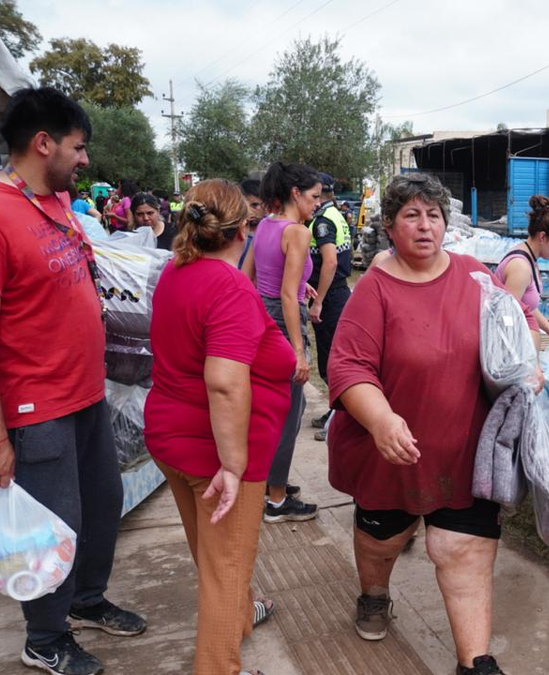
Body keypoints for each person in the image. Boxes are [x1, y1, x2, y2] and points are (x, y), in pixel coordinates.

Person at [0, 86, 146, 675]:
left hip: (84, 391)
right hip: (37, 405)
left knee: (103, 505)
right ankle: (45, 637)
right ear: (43, 143)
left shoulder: (53, 202)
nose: (84, 160)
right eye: (78, 147)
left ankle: (85, 600)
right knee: (52, 527)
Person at [327, 173, 538, 675]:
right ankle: (374, 595)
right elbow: (347, 367)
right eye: (411, 216)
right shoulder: (374, 290)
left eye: (434, 216)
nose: (425, 226)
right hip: (391, 454)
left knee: (460, 551)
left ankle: (475, 663)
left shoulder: (475, 278)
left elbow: (508, 341)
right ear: (390, 226)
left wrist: (524, 373)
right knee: (382, 543)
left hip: (464, 452)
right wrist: (380, 419)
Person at [145, 179, 291, 675]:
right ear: (242, 230)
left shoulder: (177, 271)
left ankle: (241, 617)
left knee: (214, 560)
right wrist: (232, 465)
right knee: (225, 571)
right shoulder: (226, 284)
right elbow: (226, 382)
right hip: (218, 452)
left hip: (172, 437)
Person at [240, 162, 320, 522]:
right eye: (314, 196)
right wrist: (299, 353)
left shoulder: (265, 226)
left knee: (271, 409)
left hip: (262, 318)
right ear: (295, 194)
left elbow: (248, 278)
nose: (317, 203)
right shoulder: (298, 233)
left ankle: (272, 482)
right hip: (284, 323)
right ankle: (276, 501)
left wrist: (301, 287)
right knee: (289, 413)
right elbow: (288, 296)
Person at [306, 172, 354, 439]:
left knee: (330, 362)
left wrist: (318, 302)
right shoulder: (336, 214)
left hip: (330, 296)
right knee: (331, 359)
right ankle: (335, 411)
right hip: (337, 292)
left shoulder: (323, 221)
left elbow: (330, 262)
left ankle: (341, 418)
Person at [494, 195, 549, 341]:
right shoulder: (520, 268)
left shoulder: (530, 259)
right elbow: (506, 319)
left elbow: (526, 305)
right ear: (542, 237)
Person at [238, 179, 264, 269]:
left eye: (255, 205)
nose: (249, 211)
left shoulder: (272, 233)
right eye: (244, 206)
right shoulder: (231, 235)